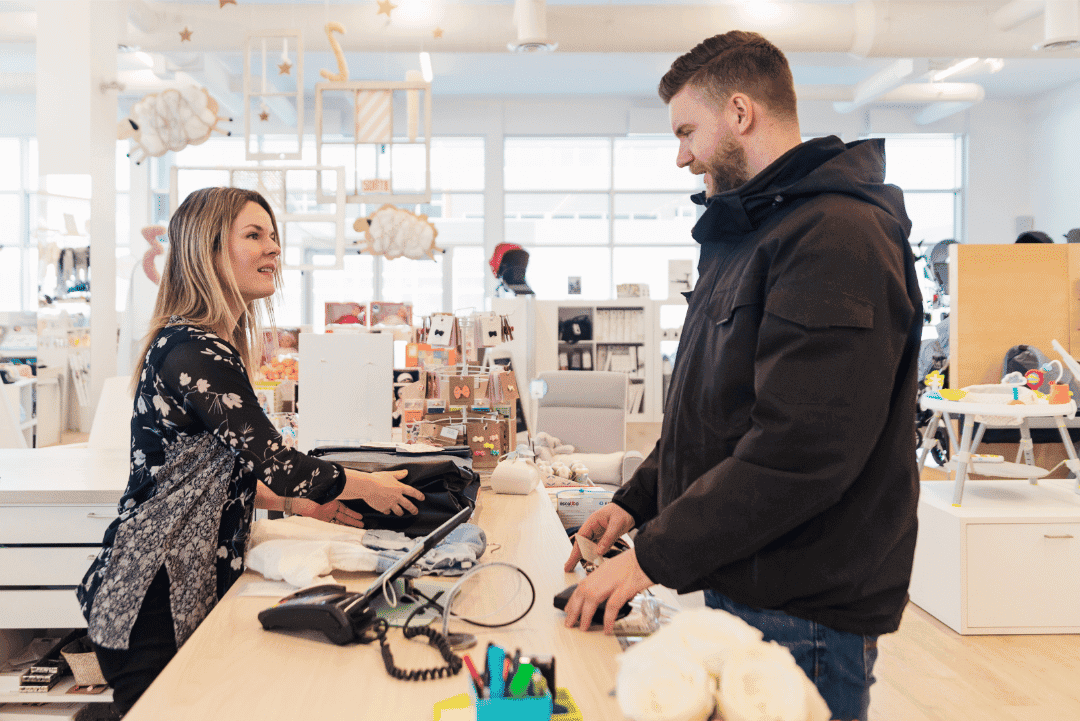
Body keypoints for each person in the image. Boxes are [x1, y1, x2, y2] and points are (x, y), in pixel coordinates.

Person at [561, 31, 922, 721]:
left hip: (804, 606)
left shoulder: (835, 236)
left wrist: (650, 558)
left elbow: (800, 448)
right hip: (749, 577)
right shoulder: (749, 234)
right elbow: (716, 414)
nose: (681, 155)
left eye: (687, 131)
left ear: (740, 111)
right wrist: (638, 502)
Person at [76, 187, 426, 716]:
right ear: (208, 250)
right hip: (149, 595)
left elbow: (215, 472)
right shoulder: (194, 349)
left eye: (273, 236)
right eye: (253, 235)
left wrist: (299, 504)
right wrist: (368, 484)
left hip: (174, 584)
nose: (273, 249)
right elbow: (278, 464)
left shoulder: (202, 344)